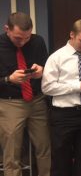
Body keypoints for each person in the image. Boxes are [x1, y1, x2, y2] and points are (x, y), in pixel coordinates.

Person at [41, 19, 81, 176]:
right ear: (72, 35)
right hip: (64, 115)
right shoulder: (56, 57)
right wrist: (77, 86)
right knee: (61, 160)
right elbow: (47, 88)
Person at [0, 12, 51, 176]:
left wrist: (41, 71)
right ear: (6, 29)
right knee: (12, 153)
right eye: (18, 38)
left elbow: (47, 67)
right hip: (10, 104)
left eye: (27, 37)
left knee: (44, 147)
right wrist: (9, 79)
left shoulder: (38, 41)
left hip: (37, 100)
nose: (22, 42)